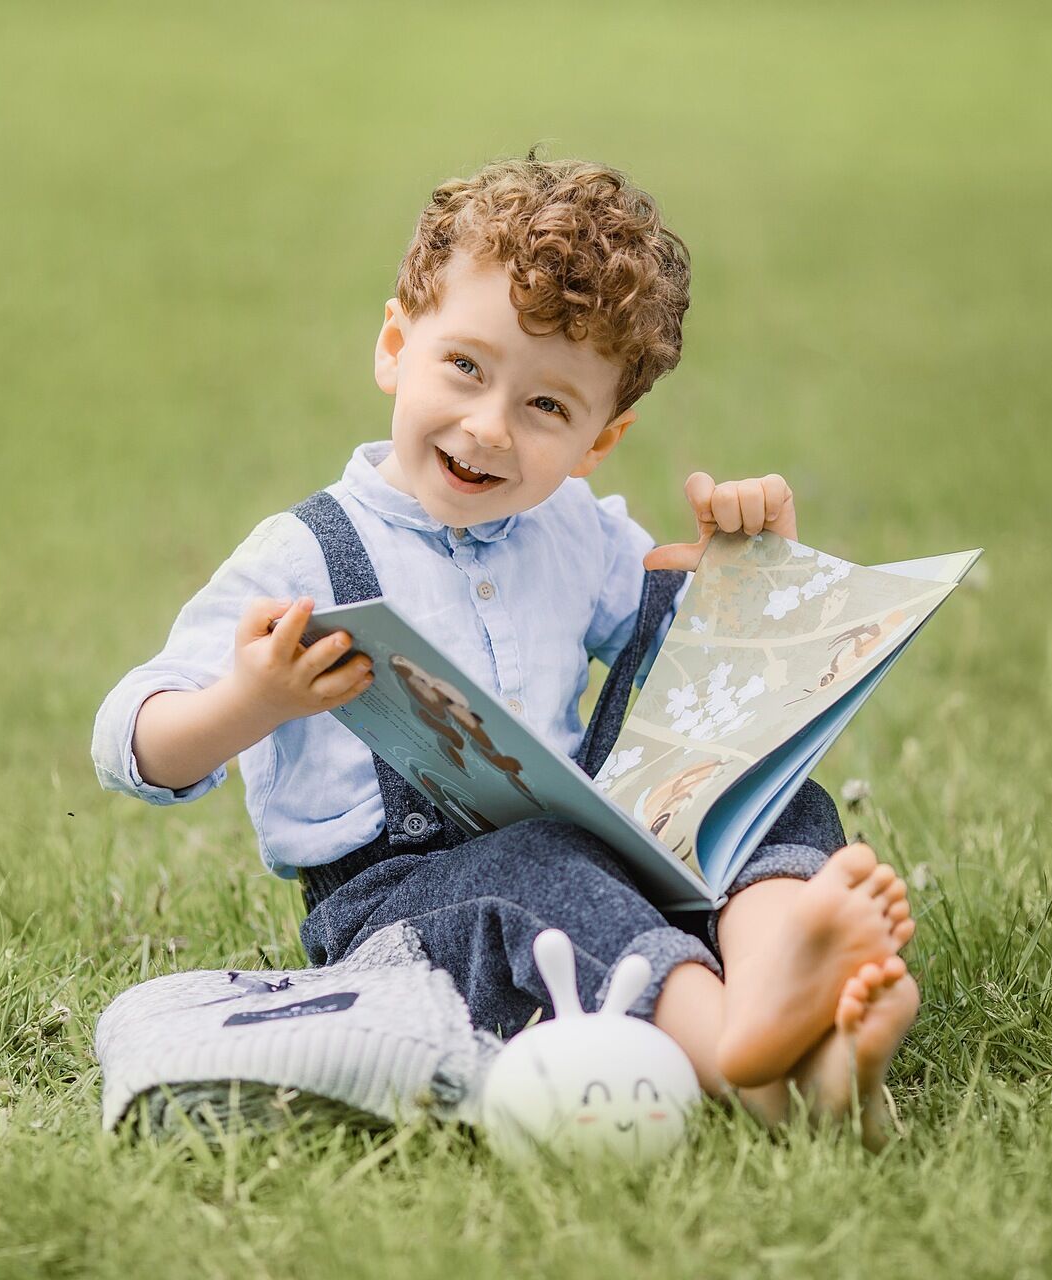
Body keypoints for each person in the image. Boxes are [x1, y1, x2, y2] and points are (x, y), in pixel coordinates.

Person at [92, 153, 919, 1147]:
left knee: (755, 778)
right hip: (405, 913)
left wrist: (745, 568)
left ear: (597, 441)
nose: (488, 426)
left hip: (596, 857)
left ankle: (792, 982)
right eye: (465, 368)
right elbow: (128, 739)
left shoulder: (573, 527)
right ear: (395, 345)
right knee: (535, 868)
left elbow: (685, 664)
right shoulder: (304, 553)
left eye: (545, 408)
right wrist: (249, 700)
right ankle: (745, 1047)